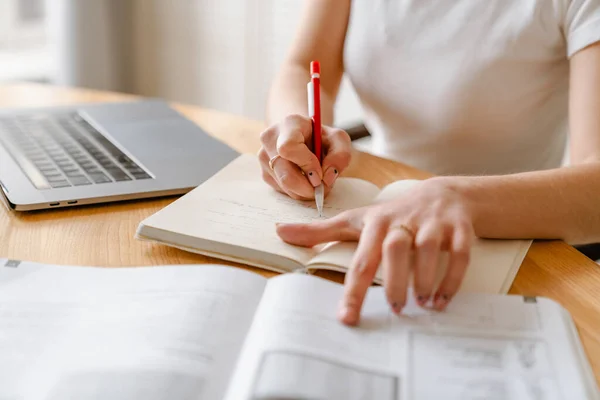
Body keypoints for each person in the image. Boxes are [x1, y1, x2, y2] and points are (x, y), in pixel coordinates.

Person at [257, 0, 600, 326]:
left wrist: (459, 196)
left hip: (512, 237)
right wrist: (297, 126)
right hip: (371, 201)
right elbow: (304, 65)